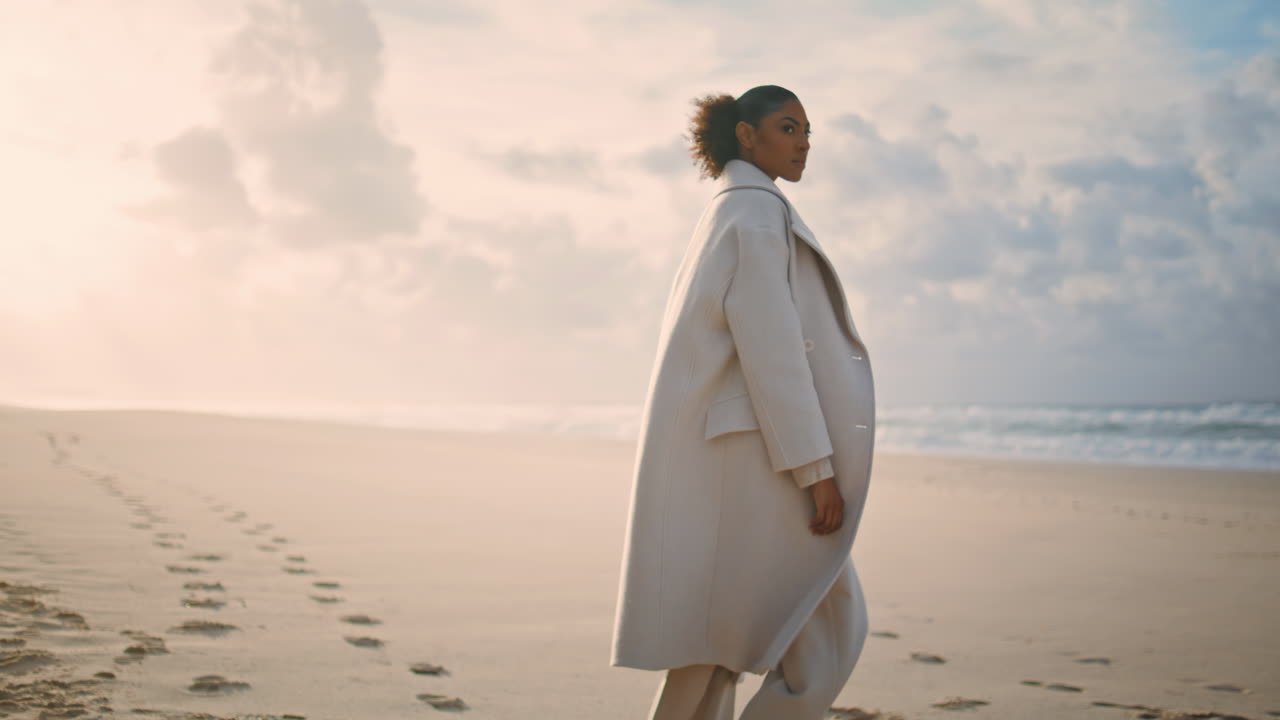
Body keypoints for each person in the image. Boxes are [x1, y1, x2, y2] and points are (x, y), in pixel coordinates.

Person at [610, 84, 878, 720]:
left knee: (720, 640)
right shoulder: (754, 213)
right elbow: (774, 354)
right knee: (826, 625)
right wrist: (817, 473)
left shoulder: (731, 210)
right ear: (746, 136)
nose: (804, 143)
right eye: (788, 128)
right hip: (758, 460)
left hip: (738, 455)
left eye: (809, 131)